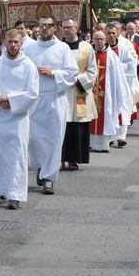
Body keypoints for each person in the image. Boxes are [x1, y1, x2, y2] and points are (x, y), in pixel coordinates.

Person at [23, 15, 78, 195]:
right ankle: (40, 167)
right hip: (34, 99)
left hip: (55, 98)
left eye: (48, 25)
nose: (44, 28)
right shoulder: (29, 47)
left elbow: (72, 73)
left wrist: (53, 73)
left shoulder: (62, 48)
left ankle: (49, 178)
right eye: (41, 25)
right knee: (33, 139)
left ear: (55, 28)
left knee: (54, 139)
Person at [0, 29, 39, 210]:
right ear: (4, 42)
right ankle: (2, 188)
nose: (13, 45)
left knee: (17, 155)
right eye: (9, 42)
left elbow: (32, 93)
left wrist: (9, 99)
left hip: (18, 117)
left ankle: (16, 194)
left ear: (21, 43)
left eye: (16, 42)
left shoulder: (28, 66)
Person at [60, 18, 98, 171]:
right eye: (64, 27)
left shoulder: (86, 48)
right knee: (62, 125)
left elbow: (92, 70)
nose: (67, 30)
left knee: (77, 125)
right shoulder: (58, 47)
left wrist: (77, 80)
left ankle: (74, 158)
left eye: (69, 27)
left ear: (76, 28)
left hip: (78, 90)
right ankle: (60, 159)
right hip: (62, 90)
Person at [89, 31, 130, 153]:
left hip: (107, 93)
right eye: (97, 39)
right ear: (93, 40)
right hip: (90, 92)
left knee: (105, 114)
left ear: (105, 40)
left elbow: (118, 77)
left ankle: (102, 144)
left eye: (101, 39)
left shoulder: (111, 56)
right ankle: (90, 143)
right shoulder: (89, 54)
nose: (99, 41)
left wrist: (119, 92)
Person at [106, 24, 137, 148]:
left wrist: (117, 67)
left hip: (123, 84)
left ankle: (122, 136)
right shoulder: (101, 49)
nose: (111, 35)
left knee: (123, 110)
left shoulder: (123, 48)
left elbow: (131, 64)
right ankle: (110, 136)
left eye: (113, 33)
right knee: (109, 110)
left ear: (118, 33)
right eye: (108, 33)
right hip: (108, 85)